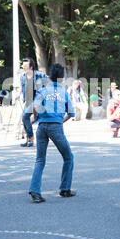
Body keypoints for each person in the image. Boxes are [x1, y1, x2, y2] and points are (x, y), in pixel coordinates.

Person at [28, 64, 76, 203]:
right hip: (56, 127)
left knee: (40, 160)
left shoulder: (43, 91)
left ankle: (35, 191)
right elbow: (72, 113)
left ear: (48, 77)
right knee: (68, 157)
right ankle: (64, 189)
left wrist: (36, 117)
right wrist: (60, 121)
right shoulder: (64, 92)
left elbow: (35, 106)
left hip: (42, 127)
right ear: (61, 79)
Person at [19, 57, 48, 147]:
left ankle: (31, 139)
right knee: (25, 119)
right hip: (28, 100)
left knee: (25, 117)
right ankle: (29, 140)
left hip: (37, 100)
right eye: (23, 65)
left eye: (25, 65)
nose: (23, 67)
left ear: (31, 67)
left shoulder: (39, 75)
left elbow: (48, 84)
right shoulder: (22, 77)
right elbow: (22, 88)